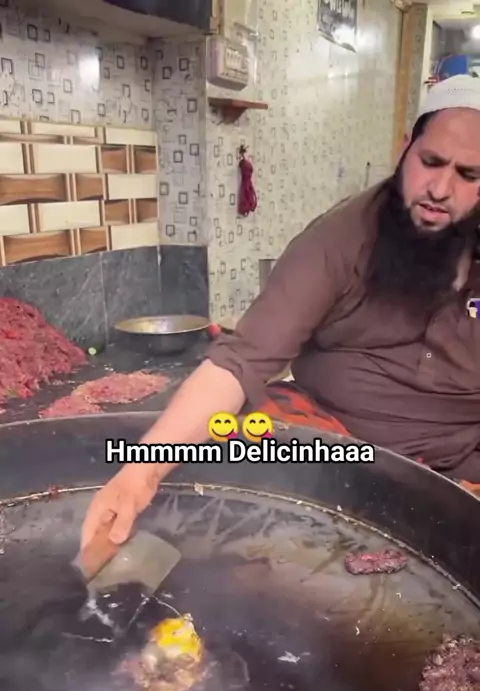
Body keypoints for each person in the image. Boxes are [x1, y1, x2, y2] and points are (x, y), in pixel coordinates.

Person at [81, 74, 480, 548]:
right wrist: (141, 472)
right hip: (334, 440)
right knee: (226, 457)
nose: (440, 188)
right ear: (405, 148)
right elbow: (242, 360)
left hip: (466, 456)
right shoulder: (341, 236)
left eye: (468, 175)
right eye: (430, 162)